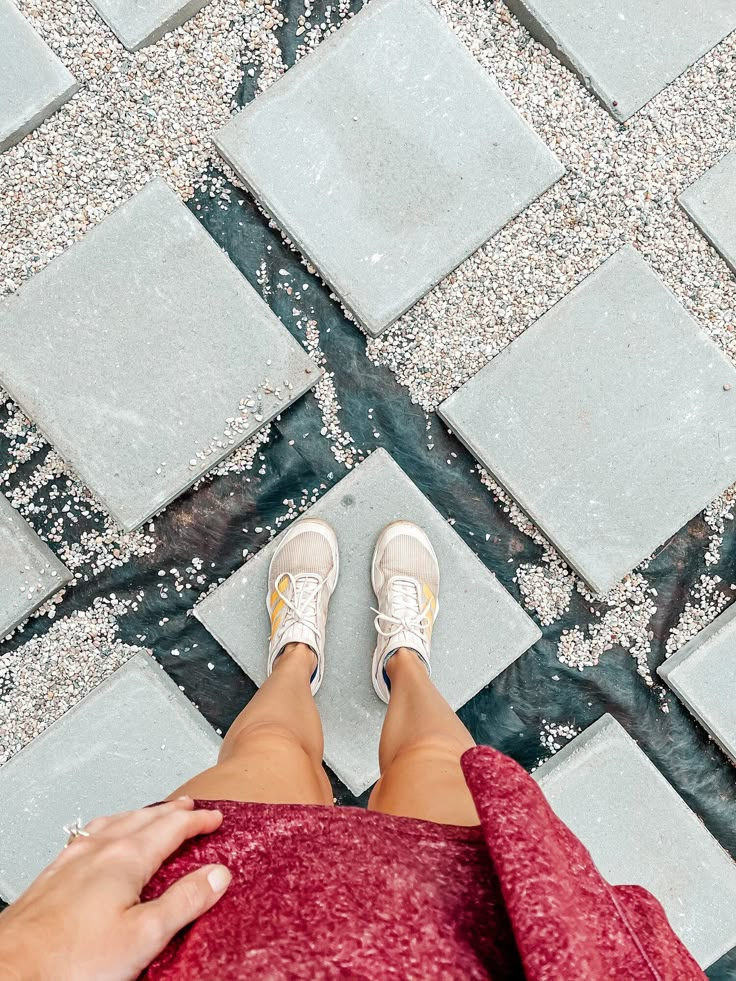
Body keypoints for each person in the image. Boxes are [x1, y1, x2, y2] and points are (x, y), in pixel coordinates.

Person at [0, 519, 706, 980]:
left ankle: (307, 656)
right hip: (486, 938)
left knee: (269, 752)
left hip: (229, 940)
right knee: (435, 760)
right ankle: (392, 661)